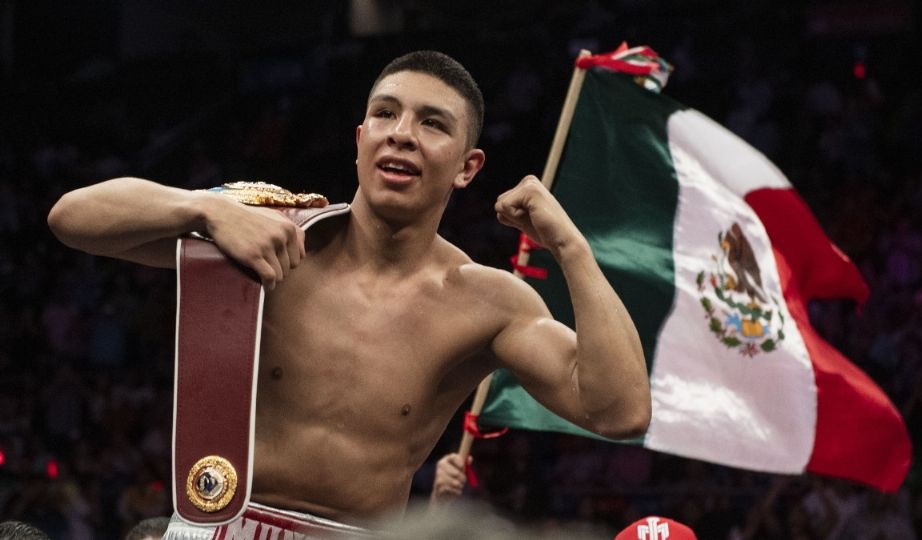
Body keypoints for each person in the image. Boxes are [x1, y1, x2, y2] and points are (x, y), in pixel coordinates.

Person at [47, 50, 651, 533]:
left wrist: (572, 247)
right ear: (360, 137)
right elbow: (71, 219)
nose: (402, 134)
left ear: (468, 167)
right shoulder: (275, 237)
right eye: (386, 115)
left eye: (432, 123)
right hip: (214, 523)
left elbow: (619, 410)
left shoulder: (486, 303)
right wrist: (203, 208)